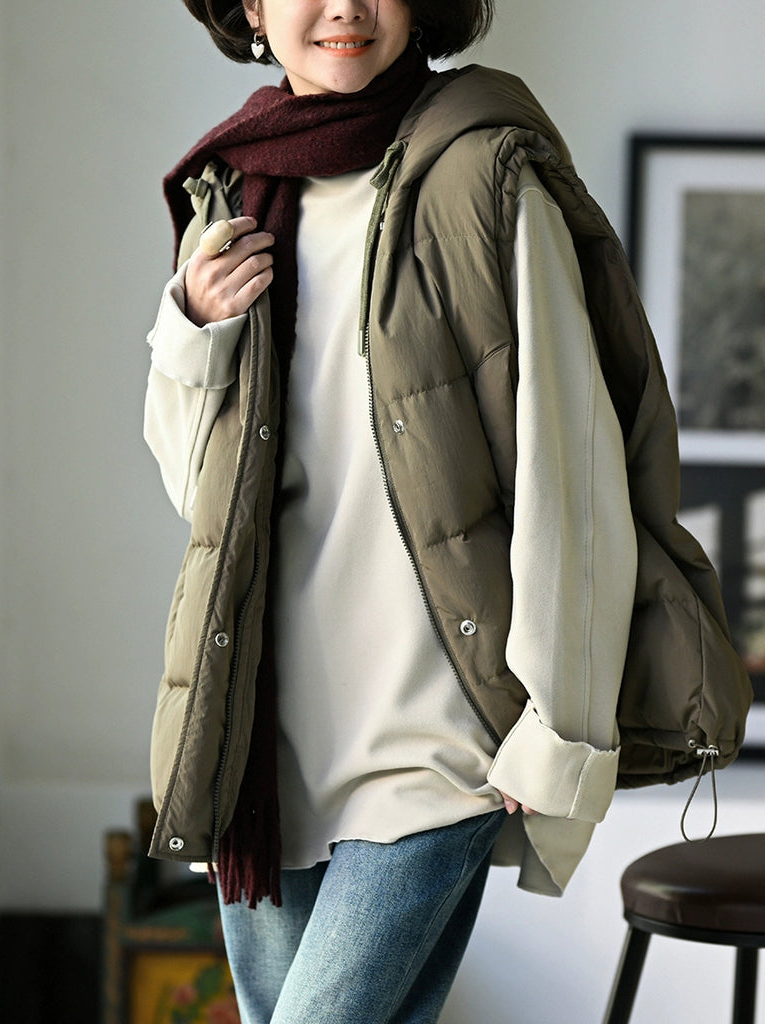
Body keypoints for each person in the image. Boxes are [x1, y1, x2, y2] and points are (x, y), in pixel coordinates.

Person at [142, 1, 746, 1021]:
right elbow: (199, 500)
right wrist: (191, 331)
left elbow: (572, 466)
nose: (345, 5)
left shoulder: (485, 175)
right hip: (264, 740)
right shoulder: (235, 192)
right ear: (250, 7)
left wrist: (556, 719)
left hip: (438, 738)